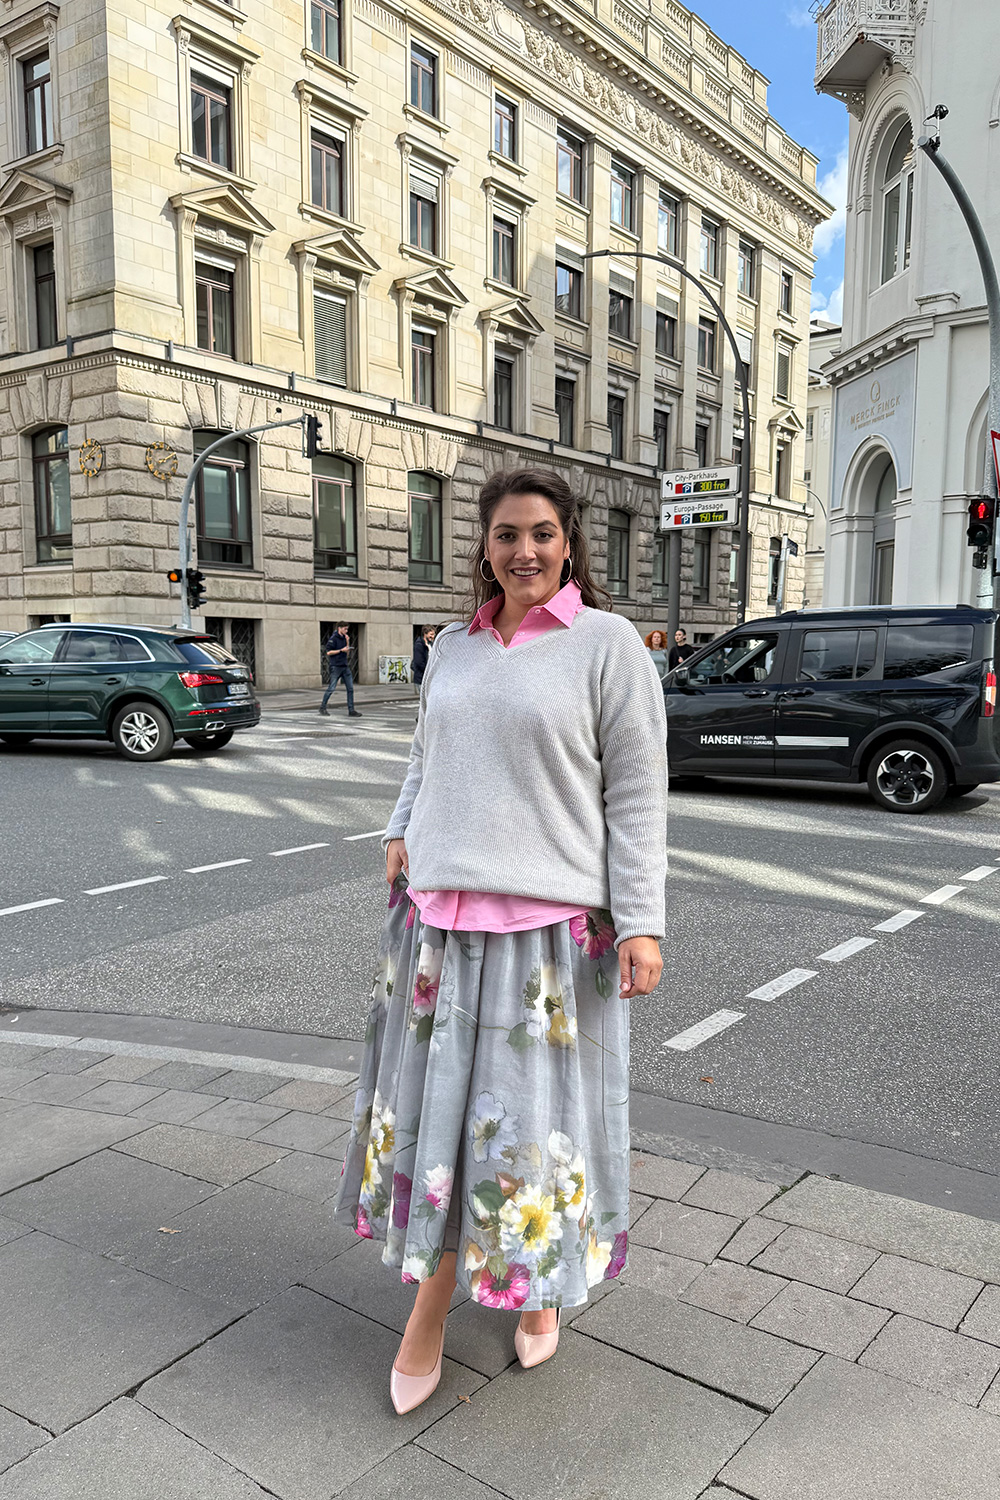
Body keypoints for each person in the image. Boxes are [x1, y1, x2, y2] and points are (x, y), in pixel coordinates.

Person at [334, 467, 667, 1415]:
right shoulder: (454, 646)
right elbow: (425, 756)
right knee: (441, 1126)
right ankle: (441, 1307)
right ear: (484, 545)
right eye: (508, 534)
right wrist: (400, 826)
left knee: (528, 1136)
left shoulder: (606, 647)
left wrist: (642, 923)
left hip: (548, 939)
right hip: (436, 926)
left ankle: (532, 1287)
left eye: (544, 534)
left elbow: (637, 795)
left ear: (570, 545)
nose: (525, 550)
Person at [319, 624, 362, 717]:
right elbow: (328, 652)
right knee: (331, 688)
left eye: (347, 629)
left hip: (345, 666)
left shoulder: (344, 638)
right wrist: (340, 650)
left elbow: (346, 652)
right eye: (345, 629)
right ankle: (322, 707)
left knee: (350, 689)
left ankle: (351, 710)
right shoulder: (333, 638)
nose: (346, 631)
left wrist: (347, 642)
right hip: (336, 666)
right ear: (339, 628)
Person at [410, 625, 436, 692]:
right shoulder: (419, 644)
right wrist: (428, 670)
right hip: (421, 678)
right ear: (425, 634)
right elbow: (419, 662)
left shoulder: (431, 644)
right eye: (431, 634)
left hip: (429, 677)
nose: (433, 636)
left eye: (434, 634)